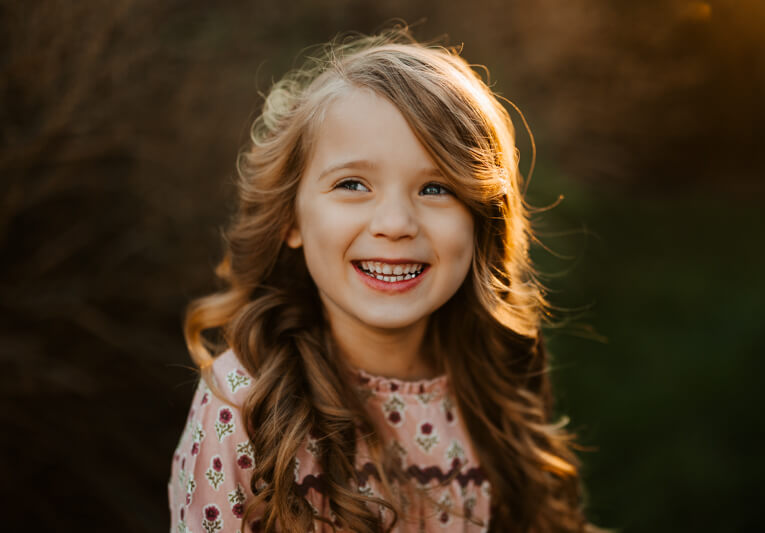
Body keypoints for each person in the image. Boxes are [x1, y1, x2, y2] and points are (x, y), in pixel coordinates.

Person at [168, 26, 592, 533]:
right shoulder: (243, 404)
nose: (395, 223)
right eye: (352, 184)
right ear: (291, 219)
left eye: (436, 187)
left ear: (482, 221)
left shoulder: (494, 386)